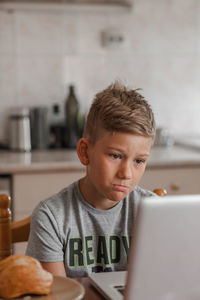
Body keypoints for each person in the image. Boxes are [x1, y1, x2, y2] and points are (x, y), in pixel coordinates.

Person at [26, 81, 156, 278]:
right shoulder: (51, 217)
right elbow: (57, 294)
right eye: (115, 156)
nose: (126, 173)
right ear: (85, 152)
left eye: (139, 160)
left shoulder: (153, 210)